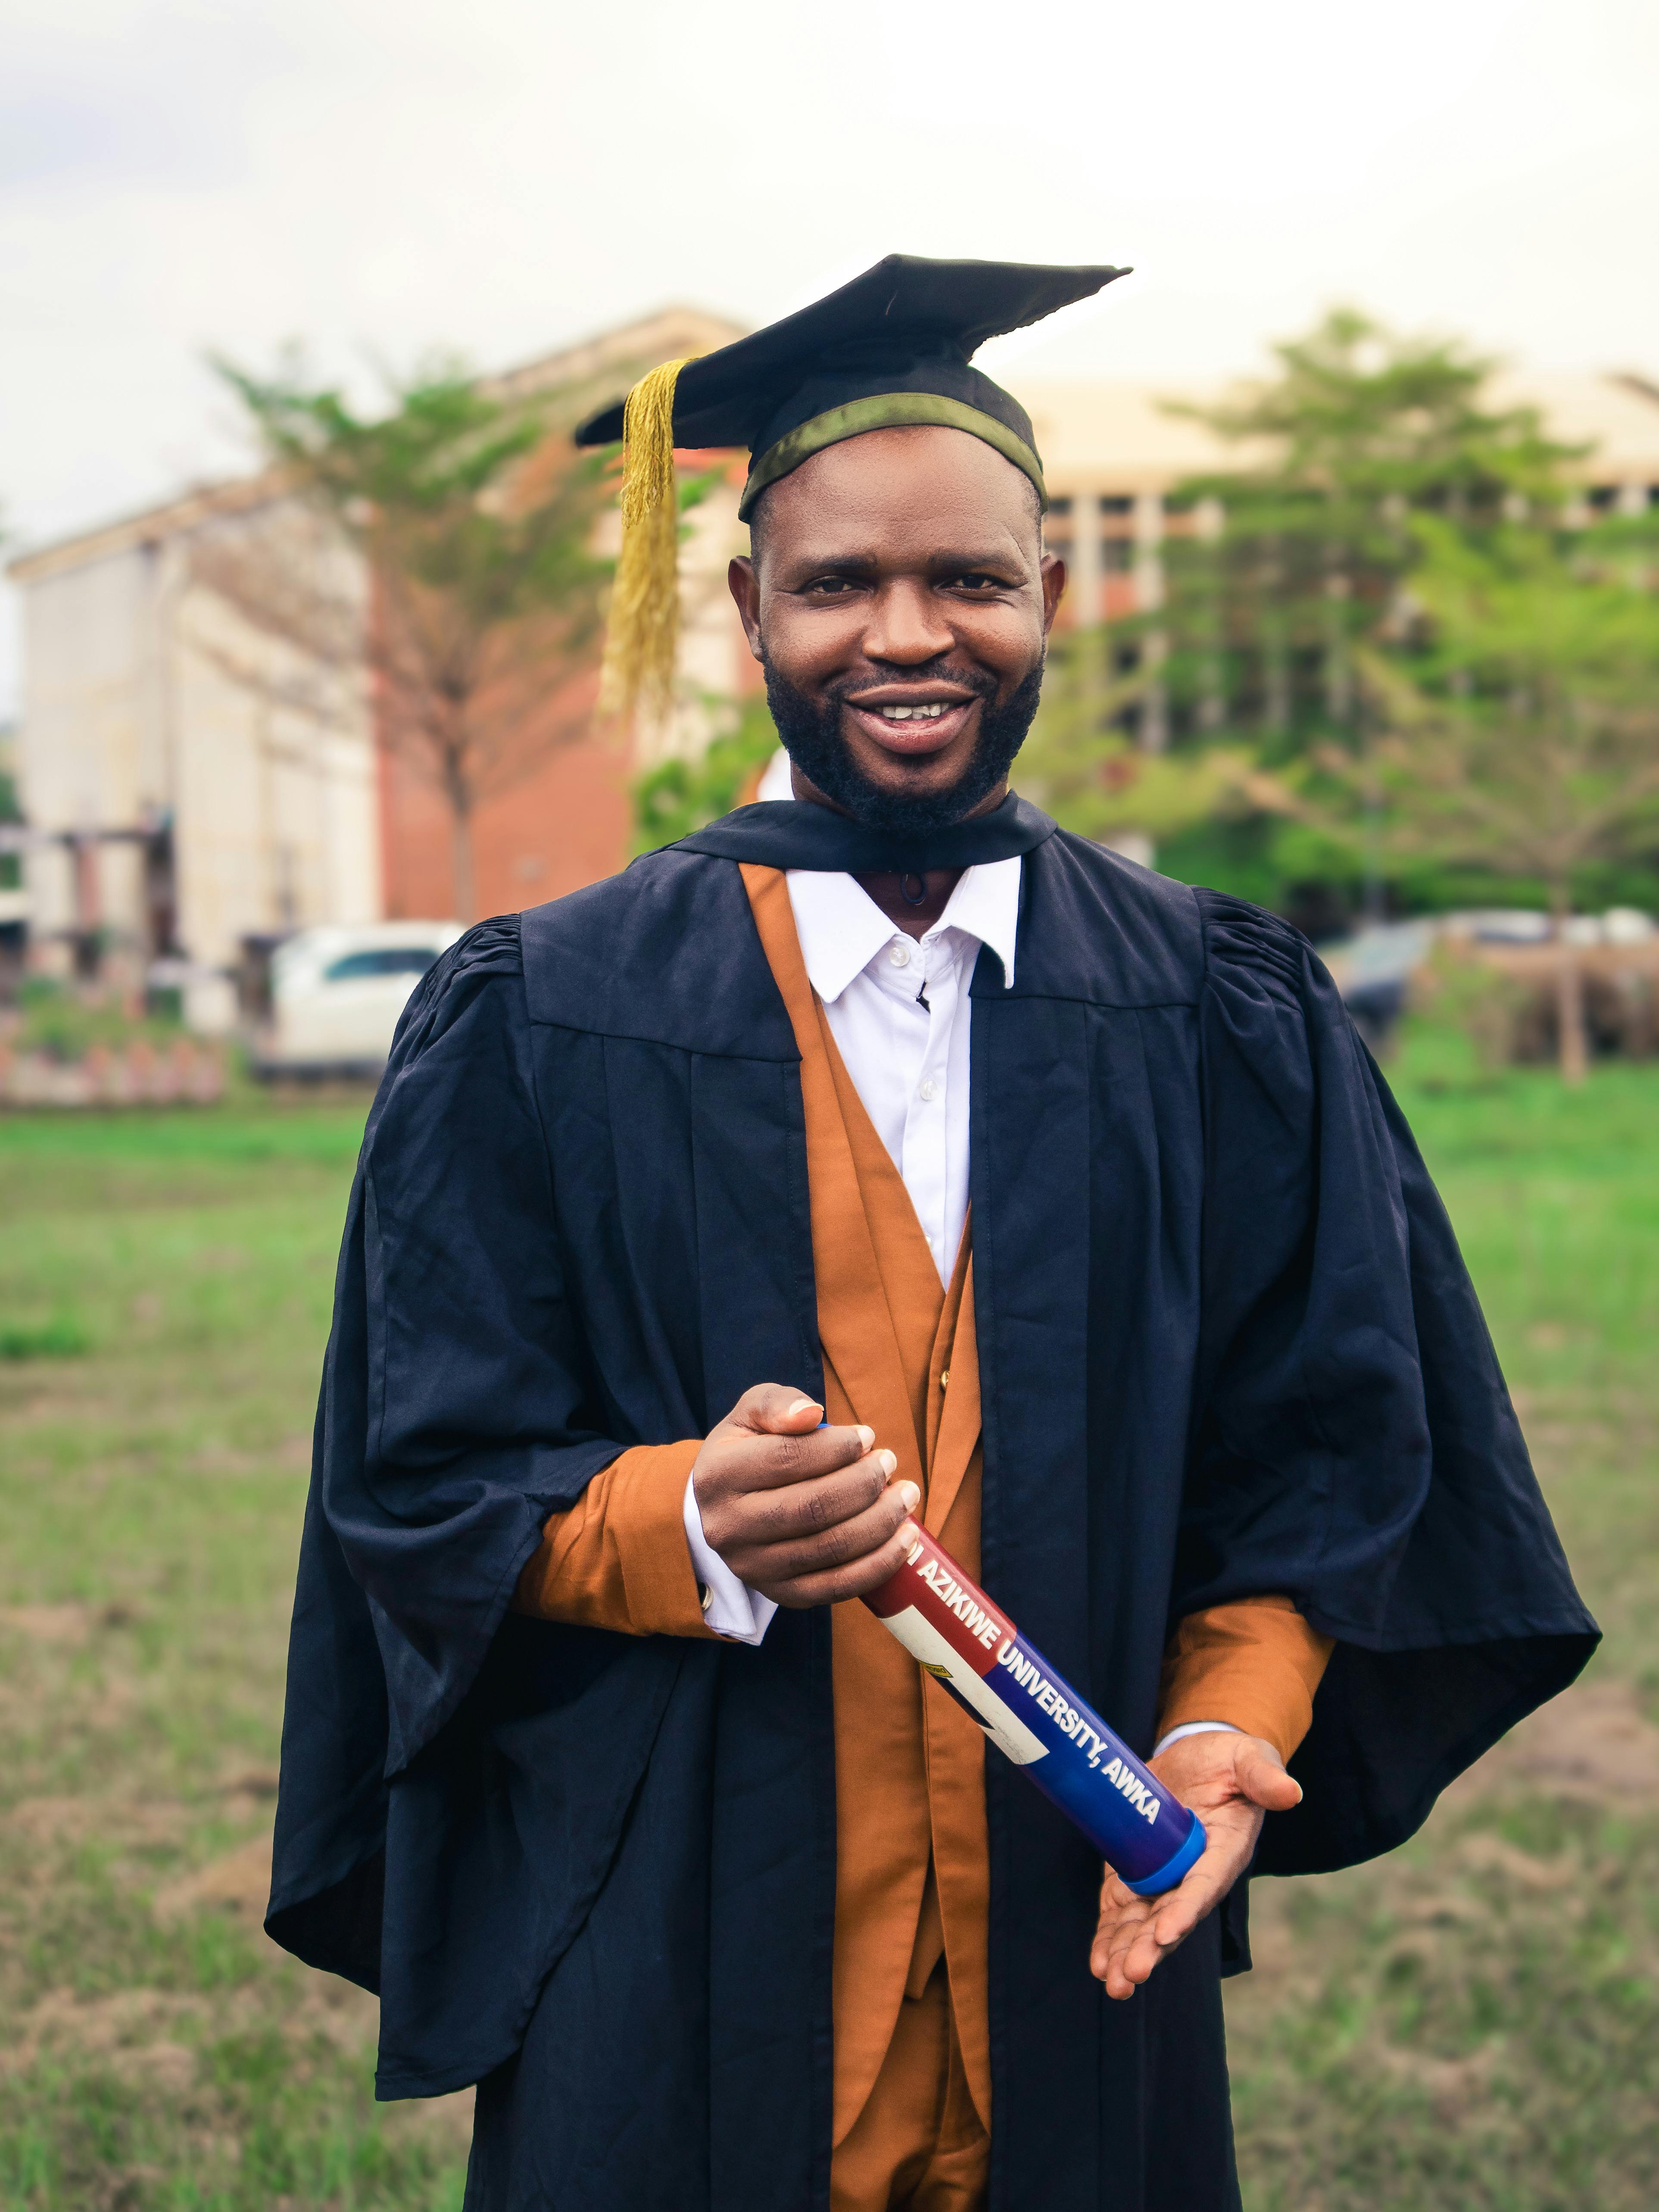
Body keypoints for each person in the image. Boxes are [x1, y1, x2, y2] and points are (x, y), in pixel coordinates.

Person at [266, 257, 1597, 2212]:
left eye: (971, 578)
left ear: (1051, 592)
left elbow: (1325, 1448)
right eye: (838, 585)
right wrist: (683, 1518)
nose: (910, 635)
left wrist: (1225, 1724)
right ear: (748, 611)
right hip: (684, 1940)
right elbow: (419, 1473)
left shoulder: (1213, 1007)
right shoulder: (543, 1012)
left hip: (1075, 1918)